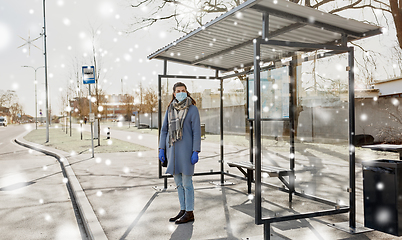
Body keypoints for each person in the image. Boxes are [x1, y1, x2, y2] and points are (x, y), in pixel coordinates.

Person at [158, 82, 201, 224]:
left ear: (186, 92)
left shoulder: (192, 109)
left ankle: (190, 212)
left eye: (183, 90)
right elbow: (164, 130)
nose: (181, 92)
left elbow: (196, 132)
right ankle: (183, 210)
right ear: (174, 93)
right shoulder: (170, 109)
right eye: (178, 90)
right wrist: (161, 149)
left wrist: (196, 151)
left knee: (187, 183)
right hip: (172, 152)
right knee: (178, 183)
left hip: (187, 152)